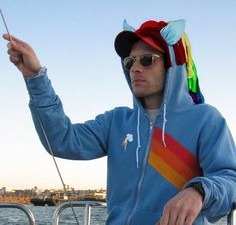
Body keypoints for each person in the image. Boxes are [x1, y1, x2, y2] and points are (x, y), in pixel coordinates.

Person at [3, 19, 236, 225]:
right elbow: (63, 140)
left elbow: (230, 178)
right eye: (129, 62)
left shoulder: (205, 119)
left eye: (147, 60)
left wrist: (199, 190)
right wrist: (35, 78)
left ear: (171, 65)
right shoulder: (116, 121)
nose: (135, 68)